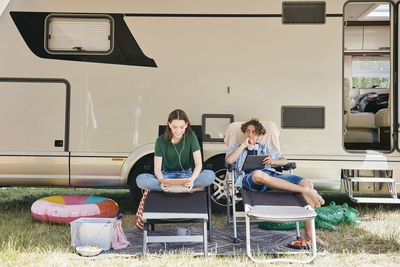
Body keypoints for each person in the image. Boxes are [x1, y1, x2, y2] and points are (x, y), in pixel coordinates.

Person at [225, 119, 325, 247]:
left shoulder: (265, 148)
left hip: (271, 177)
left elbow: (285, 161)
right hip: (249, 179)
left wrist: (273, 161)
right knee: (258, 174)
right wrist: (243, 146)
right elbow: (229, 160)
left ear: (259, 135)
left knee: (307, 182)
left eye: (254, 132)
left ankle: (310, 236)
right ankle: (306, 192)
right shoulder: (236, 148)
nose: (250, 134)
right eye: (248, 131)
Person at [136, 109, 215, 192]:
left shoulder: (191, 137)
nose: (178, 131)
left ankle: (171, 189)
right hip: (166, 177)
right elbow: (157, 169)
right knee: (140, 179)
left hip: (186, 176)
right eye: (174, 127)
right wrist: (162, 181)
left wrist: (191, 180)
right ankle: (184, 189)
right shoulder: (160, 140)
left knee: (210, 175)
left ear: (186, 125)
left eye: (181, 127)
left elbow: (198, 164)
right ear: (169, 125)